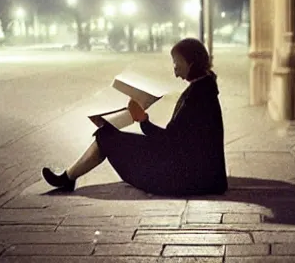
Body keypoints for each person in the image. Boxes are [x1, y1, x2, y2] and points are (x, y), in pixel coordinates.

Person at [41, 38, 228, 196]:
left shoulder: (199, 95)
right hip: (196, 172)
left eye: (177, 63)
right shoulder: (203, 88)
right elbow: (179, 139)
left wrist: (143, 120)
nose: (175, 70)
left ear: (191, 63)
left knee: (106, 137)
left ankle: (67, 179)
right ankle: (68, 178)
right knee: (107, 133)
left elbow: (170, 141)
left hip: (188, 177)